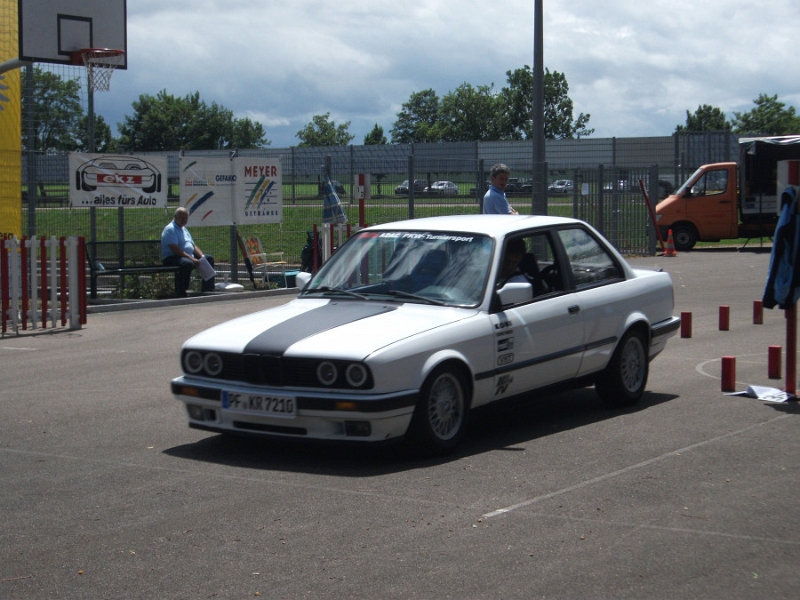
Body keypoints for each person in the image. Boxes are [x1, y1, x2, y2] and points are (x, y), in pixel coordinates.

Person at [161, 207, 215, 297]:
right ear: (176, 217)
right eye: (182, 218)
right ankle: (181, 291)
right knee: (187, 264)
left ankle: (208, 289)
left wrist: (202, 257)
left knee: (208, 259)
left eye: (186, 218)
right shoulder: (170, 229)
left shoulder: (184, 229)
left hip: (187, 256)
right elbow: (176, 249)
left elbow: (193, 245)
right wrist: (192, 259)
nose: (184, 220)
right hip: (172, 257)